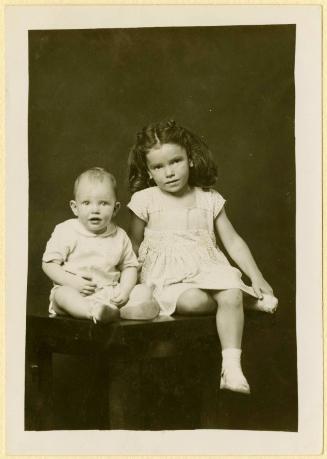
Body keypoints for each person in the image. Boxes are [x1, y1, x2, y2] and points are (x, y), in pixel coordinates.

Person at [127, 120, 278, 394]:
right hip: (167, 277)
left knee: (229, 293)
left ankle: (231, 368)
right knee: (198, 301)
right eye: (158, 167)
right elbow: (131, 246)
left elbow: (232, 241)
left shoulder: (209, 198)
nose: (169, 172)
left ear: (191, 159)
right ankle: (246, 302)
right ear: (148, 172)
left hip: (208, 268)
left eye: (176, 161)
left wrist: (258, 277)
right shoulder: (145, 200)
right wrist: (129, 286)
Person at [42, 167, 159, 323]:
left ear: (115, 208)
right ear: (75, 207)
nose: (95, 210)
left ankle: (126, 310)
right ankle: (93, 312)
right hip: (77, 293)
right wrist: (72, 282)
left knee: (142, 290)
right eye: (86, 203)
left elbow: (129, 267)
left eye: (103, 203)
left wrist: (124, 290)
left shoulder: (119, 235)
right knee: (62, 295)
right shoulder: (66, 230)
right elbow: (49, 264)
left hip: (110, 293)